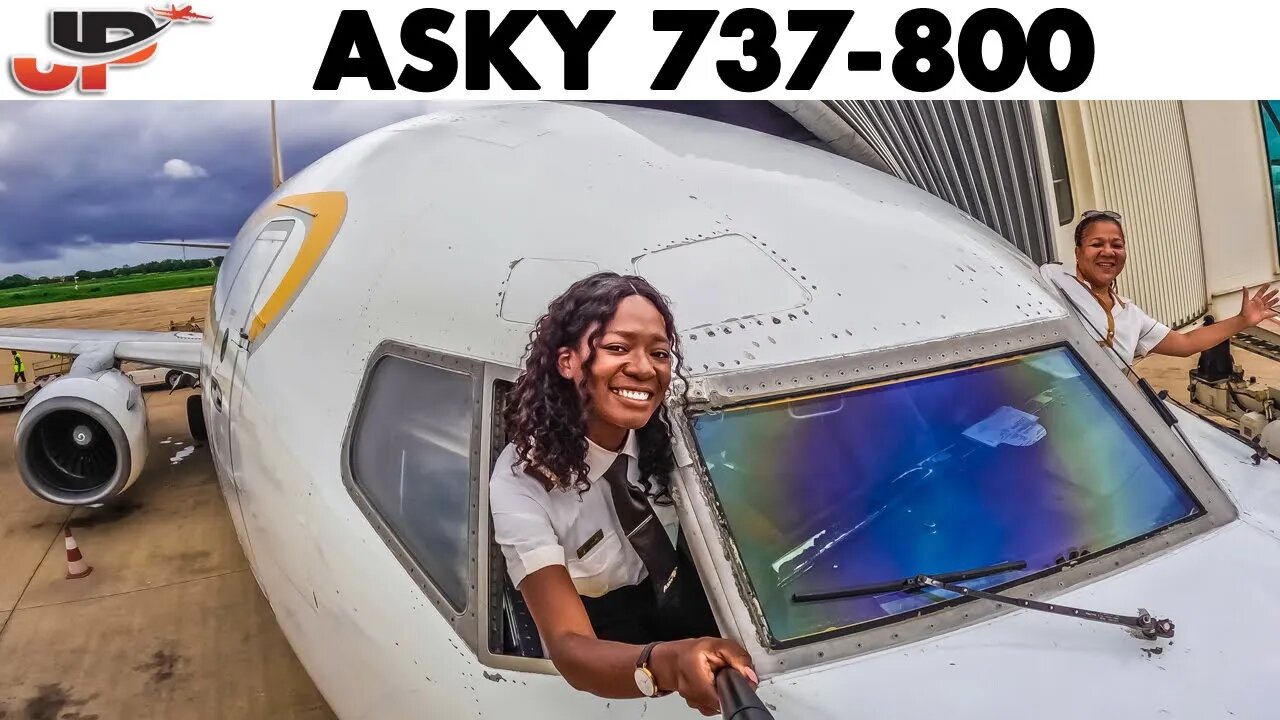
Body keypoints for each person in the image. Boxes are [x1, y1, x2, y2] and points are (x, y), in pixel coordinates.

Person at [489, 272, 756, 716]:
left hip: (692, 594)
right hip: (612, 628)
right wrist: (665, 663)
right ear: (567, 362)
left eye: (659, 353)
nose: (644, 368)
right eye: (617, 348)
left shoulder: (682, 433)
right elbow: (570, 649)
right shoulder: (522, 484)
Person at [1041, 210, 1280, 366]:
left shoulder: (1130, 314)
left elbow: (1185, 344)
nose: (1108, 252)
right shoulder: (1052, 278)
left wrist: (1242, 320)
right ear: (1077, 252)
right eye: (1096, 244)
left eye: (1117, 245)